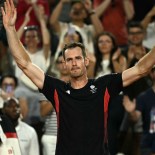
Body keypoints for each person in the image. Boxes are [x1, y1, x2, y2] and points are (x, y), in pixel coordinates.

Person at [1, 0, 155, 154]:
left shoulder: (104, 85)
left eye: (78, 58)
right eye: (69, 60)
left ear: (86, 61)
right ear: (65, 65)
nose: (74, 63)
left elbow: (141, 69)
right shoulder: (57, 89)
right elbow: (25, 64)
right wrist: (10, 29)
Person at [123, 66, 155, 155]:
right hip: (148, 147)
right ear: (152, 74)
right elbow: (135, 118)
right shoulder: (143, 97)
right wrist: (131, 112)